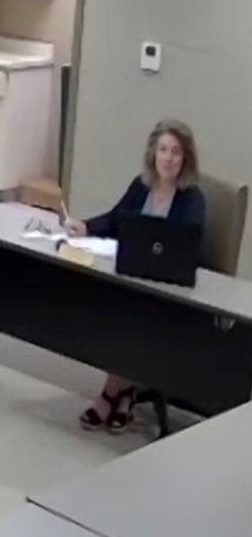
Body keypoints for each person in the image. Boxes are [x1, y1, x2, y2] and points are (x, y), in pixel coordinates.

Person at [63, 119, 206, 432]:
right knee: (118, 310)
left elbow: (191, 247)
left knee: (131, 318)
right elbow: (116, 220)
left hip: (170, 292)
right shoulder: (141, 186)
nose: (168, 158)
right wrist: (85, 226)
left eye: (176, 152)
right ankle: (125, 393)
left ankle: (110, 394)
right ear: (153, 153)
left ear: (185, 160)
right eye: (163, 150)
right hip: (133, 280)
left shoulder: (192, 199)